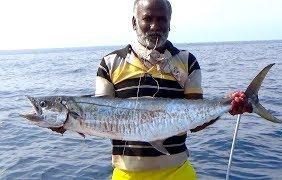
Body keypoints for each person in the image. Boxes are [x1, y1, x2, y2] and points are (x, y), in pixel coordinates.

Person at [95, 0, 252, 179]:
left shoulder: (186, 61)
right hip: (126, 174)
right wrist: (64, 122)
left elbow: (196, 121)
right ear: (134, 22)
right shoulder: (110, 63)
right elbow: (100, 117)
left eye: (162, 19)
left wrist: (227, 104)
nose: (155, 26)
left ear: (170, 22)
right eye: (147, 18)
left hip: (178, 172)